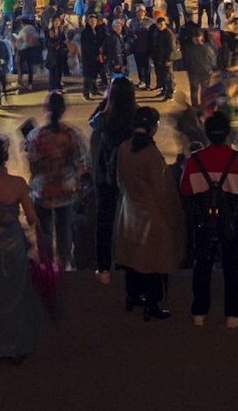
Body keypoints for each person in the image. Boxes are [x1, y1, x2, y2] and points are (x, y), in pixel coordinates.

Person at [180, 111, 238, 327]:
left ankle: (199, 312)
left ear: (206, 133)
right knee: (233, 267)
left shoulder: (194, 160)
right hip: (231, 221)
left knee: (202, 265)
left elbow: (185, 189)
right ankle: (232, 314)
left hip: (203, 222)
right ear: (227, 134)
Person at [0, 136, 43, 363]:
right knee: (15, 295)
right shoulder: (18, 184)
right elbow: (32, 218)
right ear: (5, 158)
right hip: (13, 244)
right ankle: (16, 346)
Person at [113, 106, 185, 320]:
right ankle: (152, 304)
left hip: (130, 208)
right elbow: (161, 189)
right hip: (151, 214)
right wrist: (173, 215)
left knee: (133, 256)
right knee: (154, 261)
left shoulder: (124, 148)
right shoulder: (151, 154)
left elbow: (119, 179)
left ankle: (132, 295)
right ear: (152, 127)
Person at [23, 90, 87, 270]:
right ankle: (63, 264)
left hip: (42, 192)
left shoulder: (35, 136)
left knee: (43, 232)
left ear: (46, 109)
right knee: (64, 230)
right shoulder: (71, 134)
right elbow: (81, 162)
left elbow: (33, 167)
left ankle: (47, 268)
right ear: (63, 109)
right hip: (66, 191)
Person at [88, 76, 138, 283]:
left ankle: (104, 268)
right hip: (129, 175)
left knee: (105, 220)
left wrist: (105, 102)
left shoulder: (105, 119)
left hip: (105, 176)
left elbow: (92, 122)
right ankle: (128, 263)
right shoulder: (135, 118)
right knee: (130, 220)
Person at [79, 14, 107, 99]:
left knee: (94, 74)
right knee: (88, 76)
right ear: (88, 21)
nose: (93, 22)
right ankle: (86, 93)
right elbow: (86, 46)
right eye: (91, 21)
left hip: (97, 56)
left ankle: (94, 90)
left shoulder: (97, 30)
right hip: (88, 57)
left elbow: (101, 40)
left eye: (94, 21)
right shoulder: (85, 32)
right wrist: (94, 53)